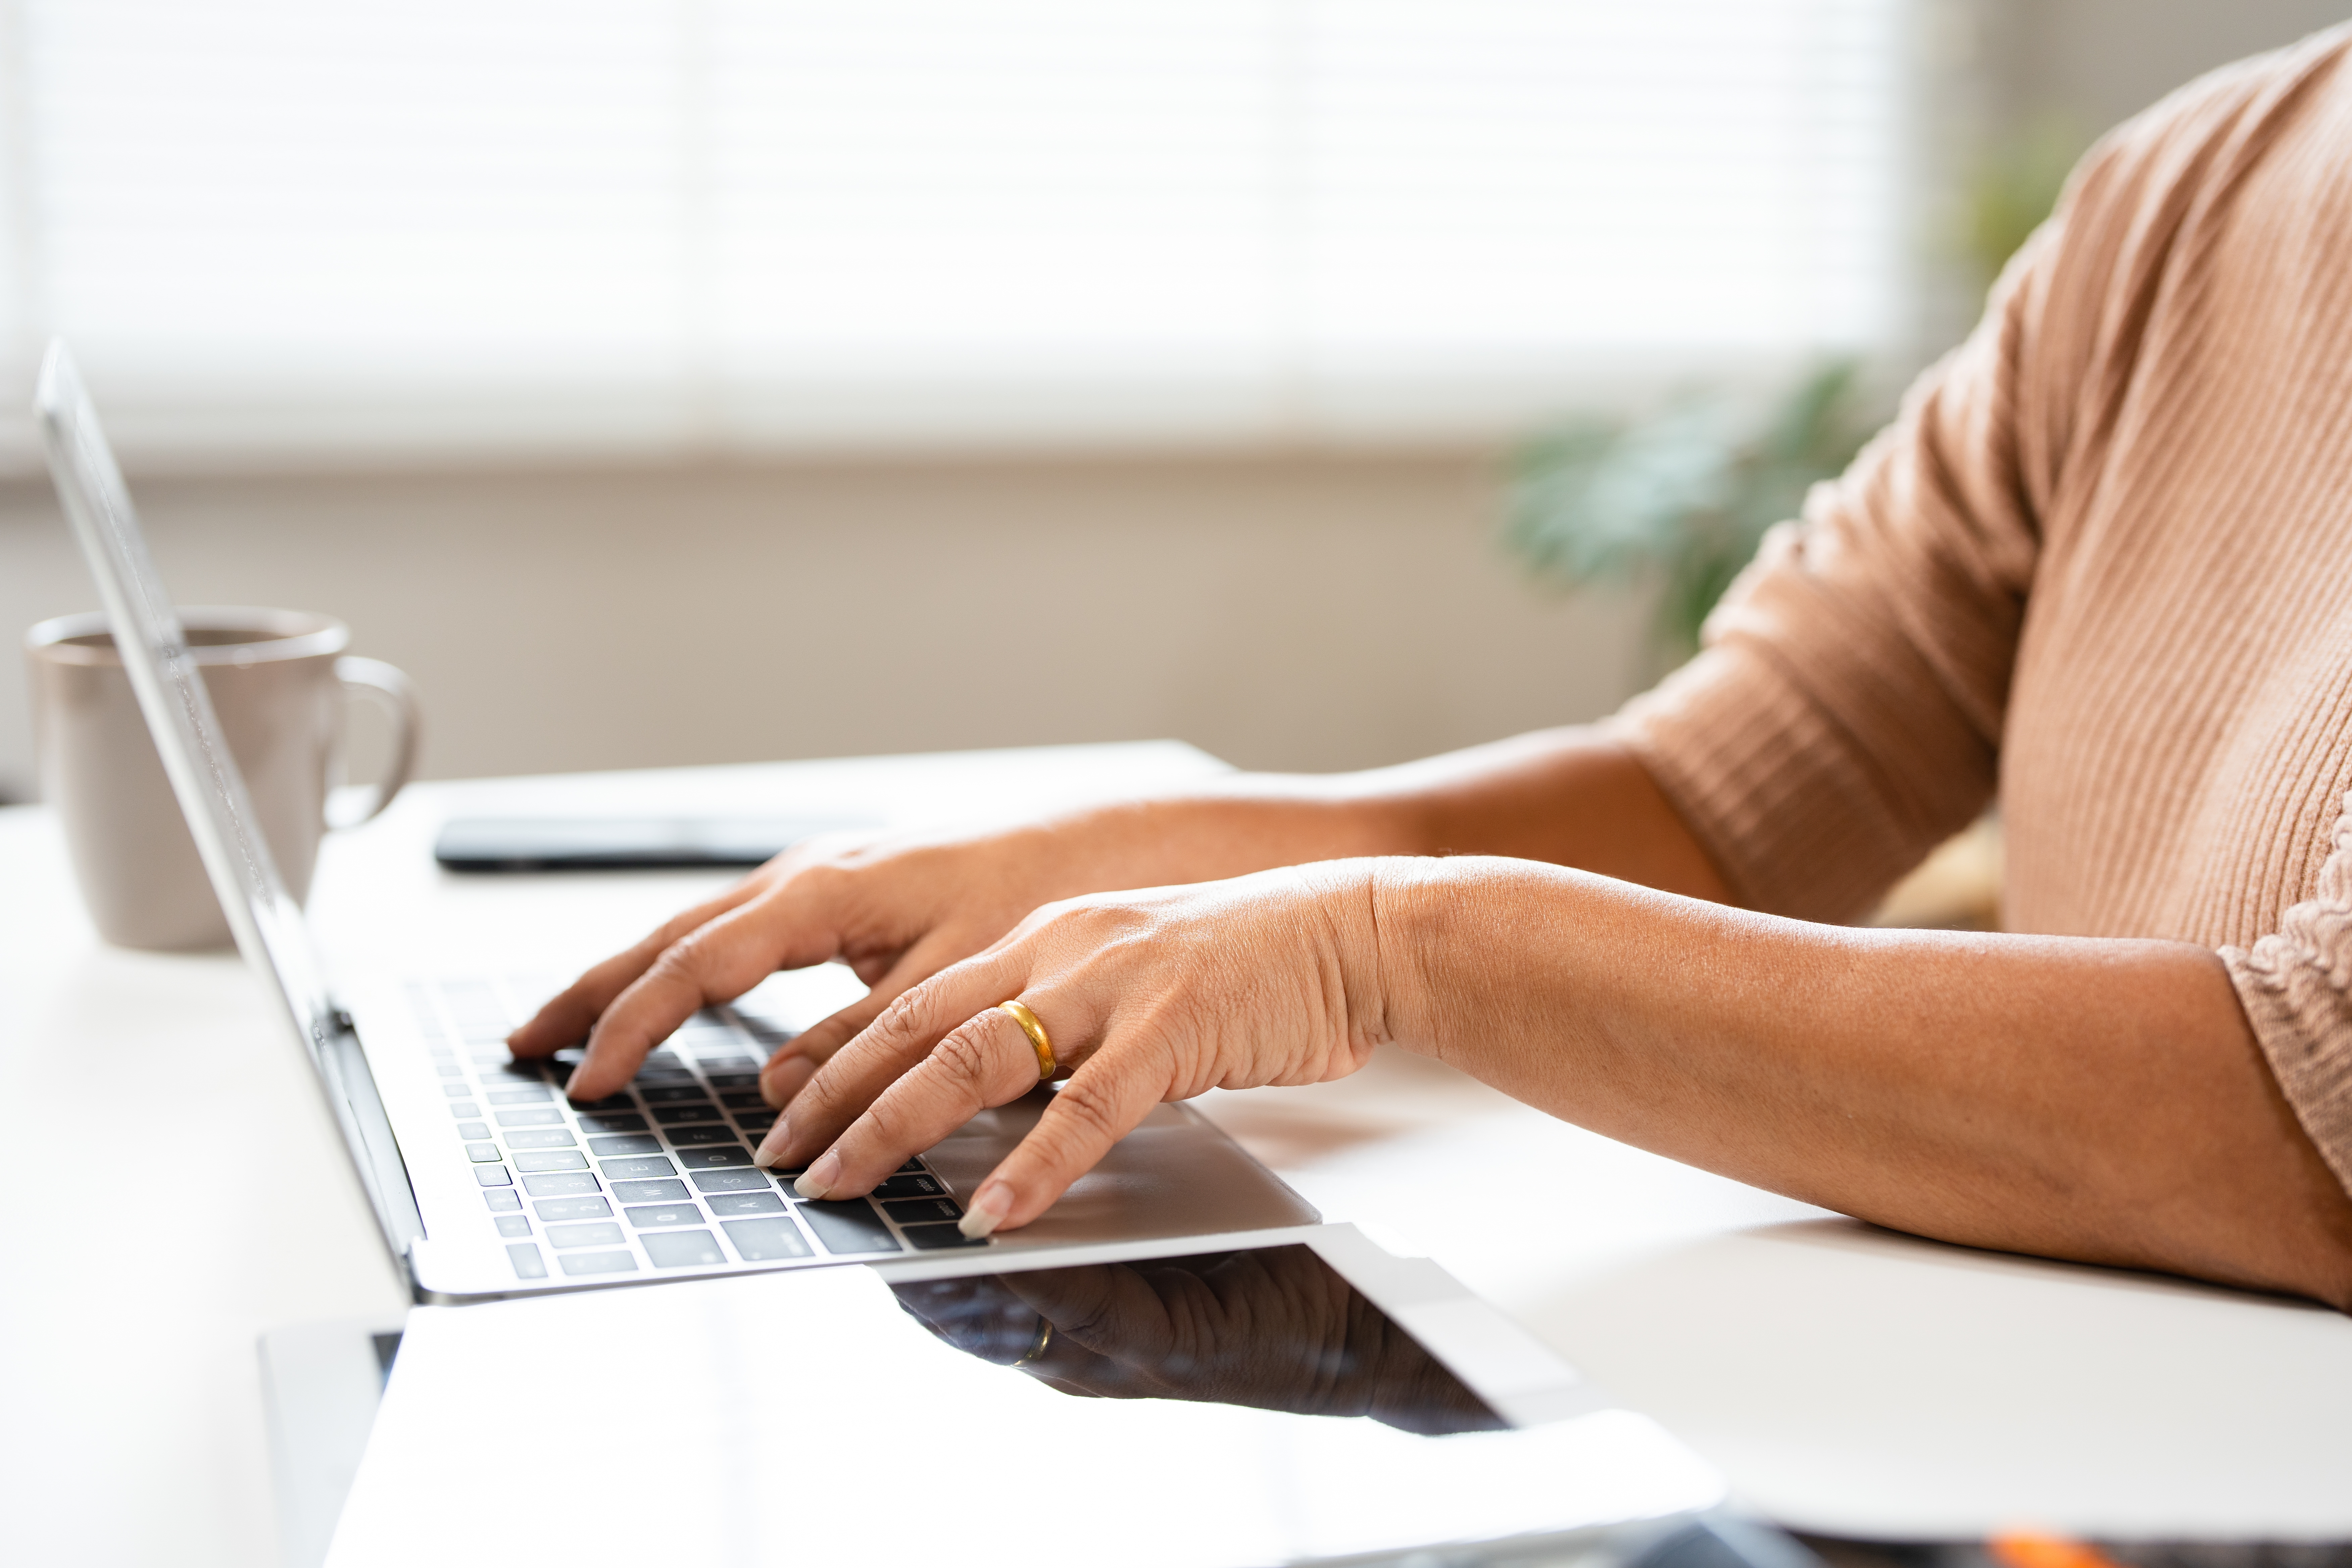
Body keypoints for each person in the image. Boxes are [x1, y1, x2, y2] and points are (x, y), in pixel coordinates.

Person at [513, 27, 2352, 1310]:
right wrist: (1132, 869)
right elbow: (1730, 795)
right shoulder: (2191, 194)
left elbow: (2311, 1126)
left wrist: (1395, 947)